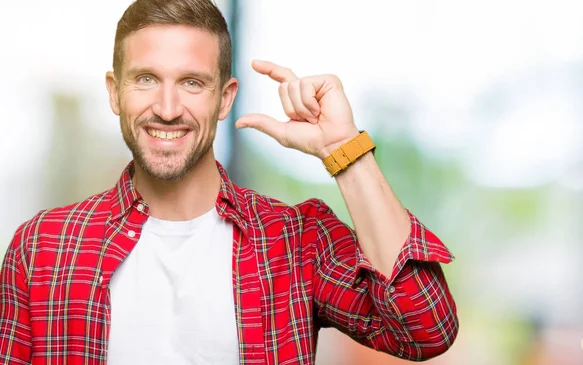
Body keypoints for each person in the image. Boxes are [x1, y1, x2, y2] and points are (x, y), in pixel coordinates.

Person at [0, 0, 458, 364]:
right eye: (145, 79)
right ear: (114, 91)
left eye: (192, 83)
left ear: (225, 98)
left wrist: (345, 150)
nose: (166, 106)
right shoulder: (42, 247)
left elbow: (425, 331)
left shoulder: (295, 240)